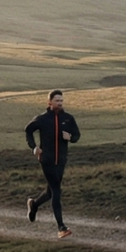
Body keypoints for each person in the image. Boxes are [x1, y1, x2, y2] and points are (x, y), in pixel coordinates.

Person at [24, 89, 80, 238]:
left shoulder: (68, 118)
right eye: (57, 101)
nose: (60, 103)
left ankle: (34, 204)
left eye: (61, 101)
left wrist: (70, 138)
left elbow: (77, 135)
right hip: (47, 160)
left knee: (50, 192)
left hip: (61, 160)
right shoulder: (42, 119)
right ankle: (61, 227)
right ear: (49, 102)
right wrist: (34, 147)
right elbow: (28, 130)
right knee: (56, 191)